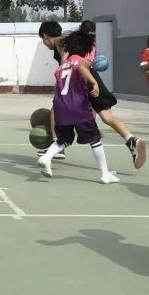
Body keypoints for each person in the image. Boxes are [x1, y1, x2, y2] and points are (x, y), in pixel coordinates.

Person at [39, 20, 147, 167]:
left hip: (81, 81)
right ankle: (132, 139)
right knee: (107, 117)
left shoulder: (63, 43)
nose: (45, 44)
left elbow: (69, 65)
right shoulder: (72, 40)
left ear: (45, 36)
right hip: (92, 79)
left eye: (43, 40)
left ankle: (56, 145)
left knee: (56, 108)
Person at [37, 31, 118, 184]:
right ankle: (105, 174)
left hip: (60, 106)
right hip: (78, 106)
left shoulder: (62, 65)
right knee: (95, 139)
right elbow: (81, 67)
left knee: (65, 138)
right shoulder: (81, 60)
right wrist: (94, 82)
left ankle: (46, 157)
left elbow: (58, 79)